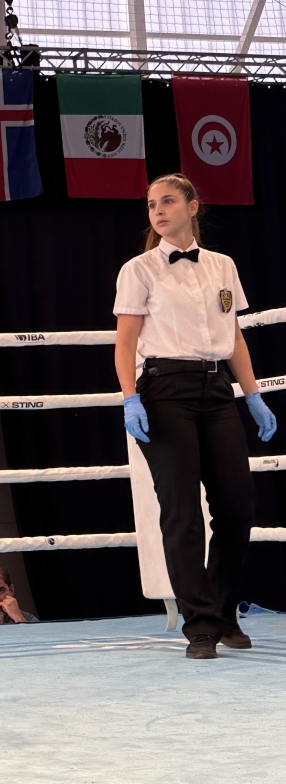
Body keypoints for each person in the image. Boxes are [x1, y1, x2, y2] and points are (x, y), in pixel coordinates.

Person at [115, 173, 277, 660]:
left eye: (167, 202)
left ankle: (224, 611)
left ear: (193, 207)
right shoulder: (139, 270)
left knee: (237, 506)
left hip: (215, 388)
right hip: (163, 391)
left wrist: (252, 395)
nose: (157, 211)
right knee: (181, 511)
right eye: (150, 205)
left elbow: (235, 337)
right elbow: (124, 344)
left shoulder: (223, 266)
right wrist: (129, 397)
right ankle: (200, 623)